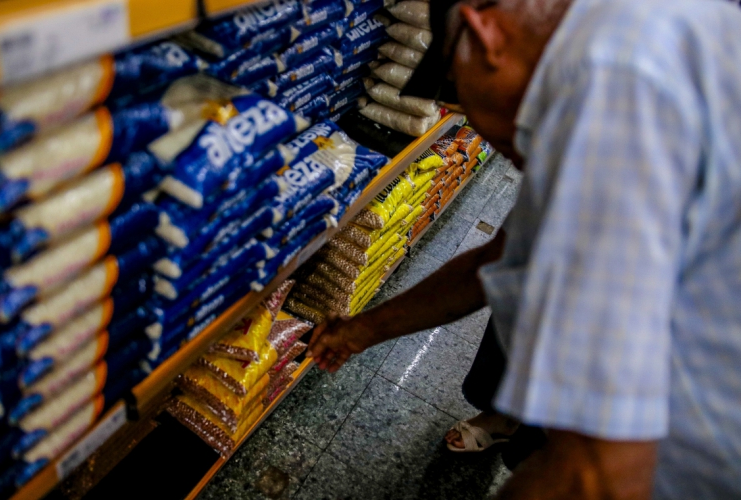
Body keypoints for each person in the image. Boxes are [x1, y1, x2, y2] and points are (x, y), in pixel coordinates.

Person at [306, 0, 741, 498]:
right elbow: (500, 258)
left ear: (484, 34)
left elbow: (596, 472)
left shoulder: (618, 96)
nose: (475, 125)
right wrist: (361, 331)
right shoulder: (623, 39)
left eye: (458, 93)